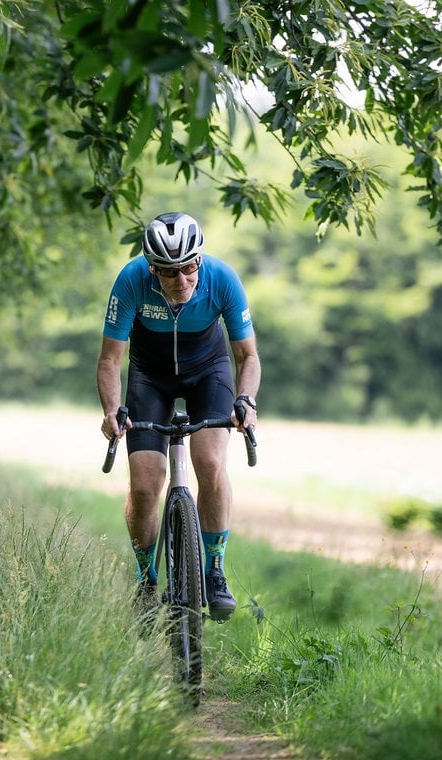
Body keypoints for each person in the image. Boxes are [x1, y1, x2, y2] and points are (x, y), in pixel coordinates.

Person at [96, 211, 260, 622]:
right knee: (146, 485)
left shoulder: (223, 280)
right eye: (169, 273)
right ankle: (146, 579)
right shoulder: (131, 281)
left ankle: (215, 569)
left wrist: (246, 401)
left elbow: (248, 356)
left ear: (200, 260)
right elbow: (110, 359)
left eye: (189, 268)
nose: (182, 280)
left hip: (209, 373)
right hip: (150, 378)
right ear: (152, 268)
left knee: (210, 462)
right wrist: (111, 411)